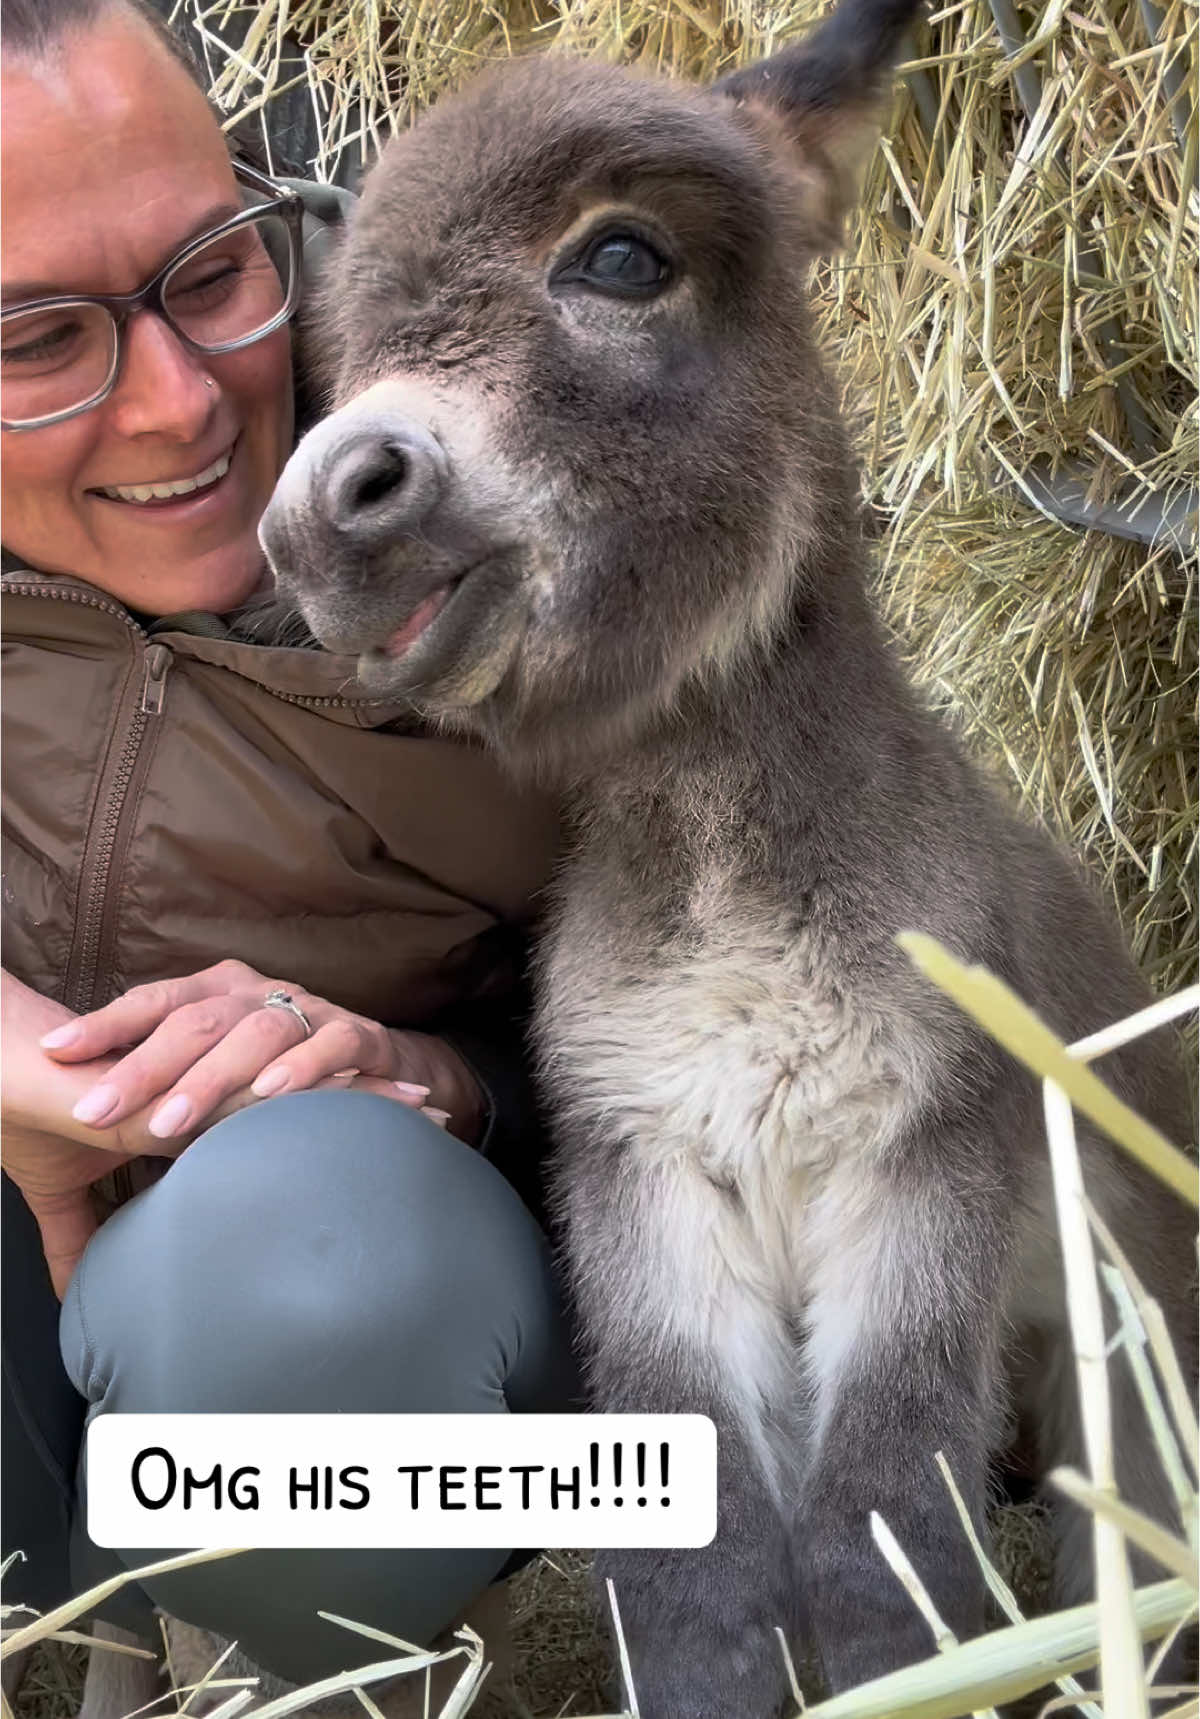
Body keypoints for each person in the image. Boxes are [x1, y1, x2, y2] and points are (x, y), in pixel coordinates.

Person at [1, 0, 577, 1702]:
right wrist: (41, 1074)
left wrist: (433, 1081)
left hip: (459, 1354)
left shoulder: (520, 466)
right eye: (35, 340)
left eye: (211, 273)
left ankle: (308, 1652)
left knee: (308, 1258)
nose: (184, 405)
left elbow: (790, 1002)